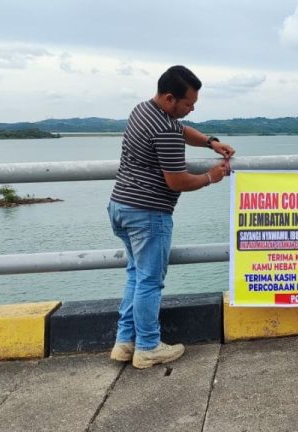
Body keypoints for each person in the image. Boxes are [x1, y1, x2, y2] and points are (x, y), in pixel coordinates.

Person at [107, 65, 234, 369]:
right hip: (148, 213)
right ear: (168, 98)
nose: (191, 109)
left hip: (120, 206)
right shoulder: (165, 129)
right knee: (150, 281)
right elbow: (177, 182)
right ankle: (148, 346)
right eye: (188, 104)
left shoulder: (143, 110)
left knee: (136, 275)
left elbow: (182, 129)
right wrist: (211, 177)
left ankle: (125, 342)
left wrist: (210, 142)